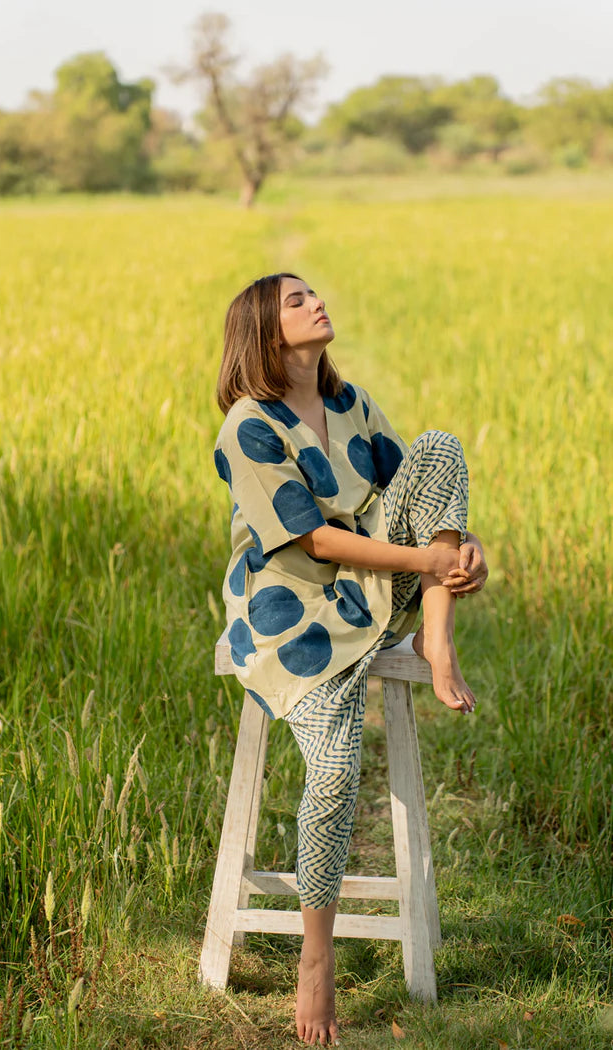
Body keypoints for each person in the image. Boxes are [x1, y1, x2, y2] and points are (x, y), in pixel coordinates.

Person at [213, 273, 488, 1046]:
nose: (316, 303)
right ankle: (317, 954)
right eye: (295, 301)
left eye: (314, 294)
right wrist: (427, 561)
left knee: (438, 449)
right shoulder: (248, 424)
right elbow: (311, 537)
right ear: (265, 331)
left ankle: (436, 638)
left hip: (377, 590)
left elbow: (425, 500)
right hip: (294, 614)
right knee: (333, 777)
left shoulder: (351, 404)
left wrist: (465, 553)